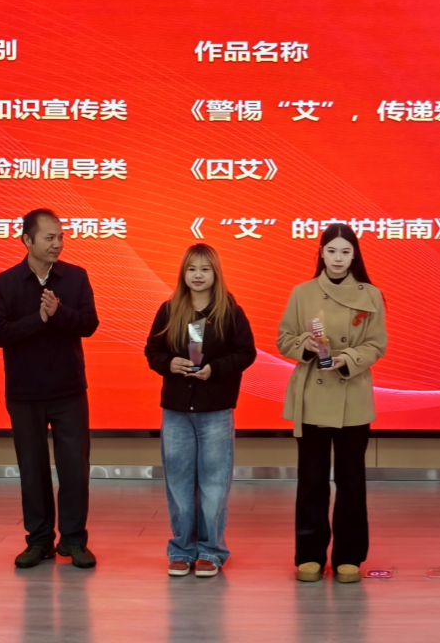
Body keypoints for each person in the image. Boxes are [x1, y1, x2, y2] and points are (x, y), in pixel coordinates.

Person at [0, 208, 100, 569]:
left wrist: (59, 313)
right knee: (32, 470)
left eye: (61, 237)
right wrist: (38, 319)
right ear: (27, 240)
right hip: (25, 394)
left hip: (69, 391)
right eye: (49, 237)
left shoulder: (76, 277)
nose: (57, 244)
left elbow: (89, 324)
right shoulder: (4, 283)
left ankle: (74, 541)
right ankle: (39, 541)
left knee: (74, 469)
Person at [277, 223, 388, 583]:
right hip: (312, 395)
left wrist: (348, 358)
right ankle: (309, 554)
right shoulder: (302, 293)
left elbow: (377, 344)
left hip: (352, 395)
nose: (338, 258)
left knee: (351, 481)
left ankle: (349, 555)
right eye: (331, 251)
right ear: (321, 253)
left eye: (345, 251)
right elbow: (283, 339)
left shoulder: (371, 294)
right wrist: (305, 345)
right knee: (311, 481)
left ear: (354, 255)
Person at [145, 243, 257, 578]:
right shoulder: (169, 310)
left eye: (205, 269)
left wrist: (216, 369)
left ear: (215, 273)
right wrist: (169, 363)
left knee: (214, 484)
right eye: (192, 269)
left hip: (215, 410)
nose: (198, 275)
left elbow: (246, 352)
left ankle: (211, 551)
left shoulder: (230, 312)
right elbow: (152, 350)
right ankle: (181, 550)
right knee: (179, 482)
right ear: (183, 273)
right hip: (176, 410)